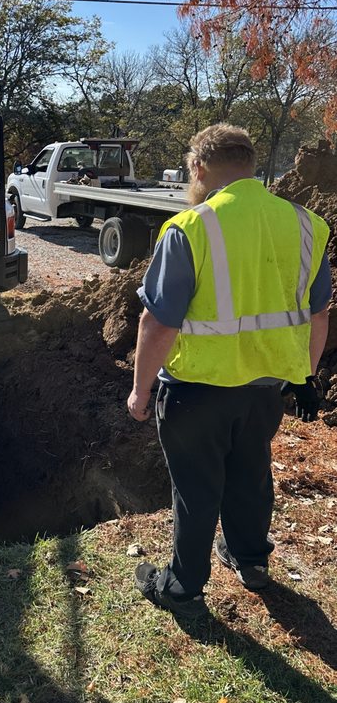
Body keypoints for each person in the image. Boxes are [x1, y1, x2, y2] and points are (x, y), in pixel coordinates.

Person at [128, 124, 331, 619]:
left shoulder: (190, 227)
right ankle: (251, 560)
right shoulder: (306, 224)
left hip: (197, 390)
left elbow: (157, 322)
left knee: (196, 488)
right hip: (265, 390)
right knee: (250, 475)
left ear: (198, 167)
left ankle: (183, 588)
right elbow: (319, 314)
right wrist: (304, 374)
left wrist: (140, 391)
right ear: (250, 163)